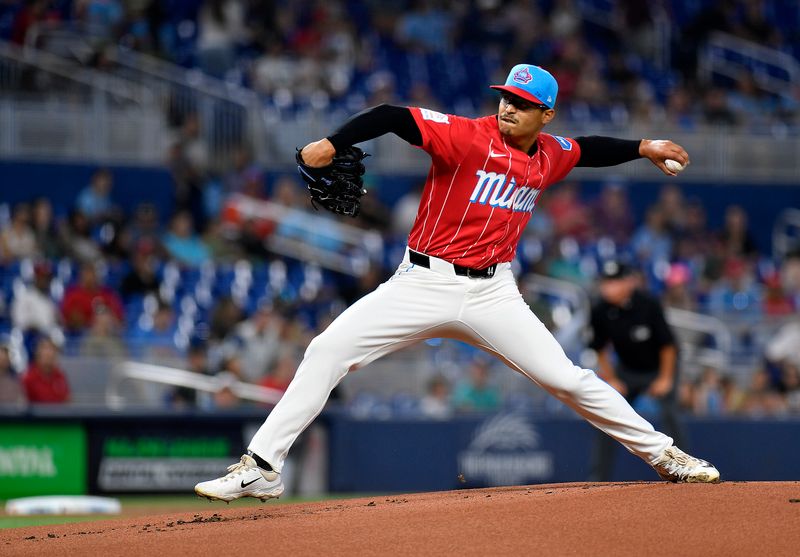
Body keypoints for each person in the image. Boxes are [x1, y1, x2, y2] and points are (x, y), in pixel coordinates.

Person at [195, 63, 719, 503]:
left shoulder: (550, 154)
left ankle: (664, 455)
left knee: (567, 378)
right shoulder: (467, 135)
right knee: (327, 350)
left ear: (546, 114)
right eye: (505, 97)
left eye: (521, 102)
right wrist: (333, 142)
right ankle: (262, 466)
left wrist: (645, 145)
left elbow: (587, 149)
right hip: (421, 281)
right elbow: (391, 116)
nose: (508, 107)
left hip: (493, 293)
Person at [587, 260, 686, 481]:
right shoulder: (600, 309)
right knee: (606, 414)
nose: (608, 287)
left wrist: (665, 379)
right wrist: (611, 378)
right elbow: (599, 348)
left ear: (628, 283)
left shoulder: (648, 303)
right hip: (628, 370)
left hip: (659, 367)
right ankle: (598, 478)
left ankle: (684, 469)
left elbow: (668, 345)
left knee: (670, 415)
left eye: (614, 282)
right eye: (606, 282)